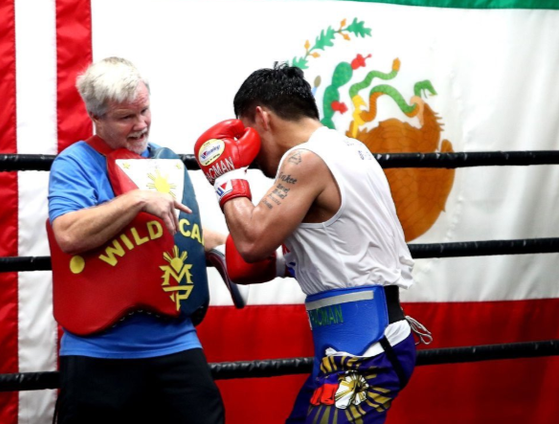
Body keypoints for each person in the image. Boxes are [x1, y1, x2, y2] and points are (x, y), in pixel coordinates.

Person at [194, 63, 431, 423]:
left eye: (246, 133)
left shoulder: (305, 159)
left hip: (364, 353)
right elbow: (345, 248)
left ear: (262, 117)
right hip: (354, 348)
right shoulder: (350, 150)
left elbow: (253, 241)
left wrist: (225, 175)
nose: (251, 157)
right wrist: (267, 260)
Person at [48, 57, 225, 423]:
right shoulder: (75, 164)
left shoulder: (164, 162)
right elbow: (67, 233)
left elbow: (183, 231)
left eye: (144, 110)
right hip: (99, 347)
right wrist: (136, 199)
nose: (141, 123)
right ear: (96, 117)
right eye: (126, 117)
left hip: (175, 339)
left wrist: (242, 248)